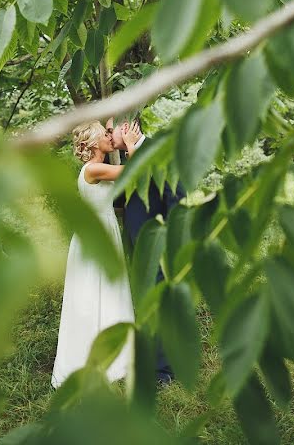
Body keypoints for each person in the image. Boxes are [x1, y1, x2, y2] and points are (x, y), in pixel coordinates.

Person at [50, 120, 143, 389]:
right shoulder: (94, 169)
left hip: (101, 233)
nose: (108, 136)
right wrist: (129, 145)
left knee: (105, 293)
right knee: (92, 296)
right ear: (92, 143)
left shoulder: (94, 168)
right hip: (97, 238)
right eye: (104, 134)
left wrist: (115, 127)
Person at [107, 115, 186, 385]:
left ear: (126, 126)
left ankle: (163, 371)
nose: (108, 133)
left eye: (111, 128)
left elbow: (177, 198)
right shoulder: (128, 159)